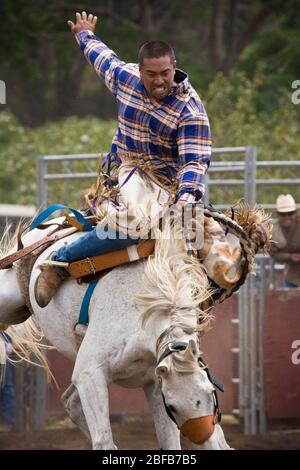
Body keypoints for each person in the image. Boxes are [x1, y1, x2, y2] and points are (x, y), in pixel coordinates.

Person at [35, 11, 211, 307]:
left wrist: (184, 200)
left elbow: (194, 162)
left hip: (169, 185)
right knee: (137, 223)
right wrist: (84, 34)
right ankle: (59, 263)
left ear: (174, 68)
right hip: (126, 170)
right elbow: (102, 58)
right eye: (152, 74)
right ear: (140, 71)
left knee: (200, 241)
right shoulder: (125, 78)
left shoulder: (190, 110)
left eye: (165, 73)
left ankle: (194, 316)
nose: (159, 82)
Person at [270, 194, 300, 288]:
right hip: (292, 276)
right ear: (278, 214)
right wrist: (290, 257)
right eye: (283, 214)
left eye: (290, 213)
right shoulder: (274, 231)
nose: (287, 217)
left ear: (295, 213)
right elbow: (273, 253)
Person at [0, 333, 16, 432]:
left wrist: (8, 347)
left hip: (4, 361)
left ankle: (7, 422)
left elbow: (17, 346)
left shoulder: (6, 330)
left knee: (6, 389)